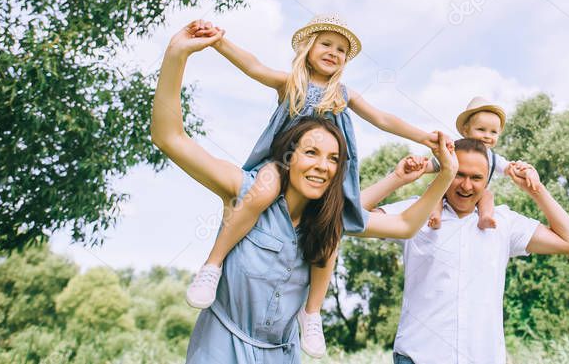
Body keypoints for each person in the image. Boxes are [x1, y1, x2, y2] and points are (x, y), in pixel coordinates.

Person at [150, 24, 458, 363]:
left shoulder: (342, 95)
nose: (333, 53)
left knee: (332, 226)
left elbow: (383, 121)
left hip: (282, 351)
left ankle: (312, 314)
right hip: (273, 170)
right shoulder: (291, 85)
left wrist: (432, 150)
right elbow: (251, 69)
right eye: (326, 44)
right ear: (308, 48)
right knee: (264, 188)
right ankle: (213, 264)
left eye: (341, 50)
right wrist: (215, 43)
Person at [364, 138, 569, 364]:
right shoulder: (415, 212)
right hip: (418, 357)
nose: (466, 185)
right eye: (459, 174)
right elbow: (347, 218)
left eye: (476, 177)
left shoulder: (505, 222)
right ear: (446, 172)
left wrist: (535, 189)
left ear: (487, 181)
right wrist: (397, 179)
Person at [426, 96, 541, 230]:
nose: (487, 135)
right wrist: (420, 166)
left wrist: (526, 171)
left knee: (487, 194)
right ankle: (435, 215)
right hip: (447, 189)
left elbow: (510, 168)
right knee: (433, 187)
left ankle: (485, 217)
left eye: (493, 132)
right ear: (466, 130)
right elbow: (433, 165)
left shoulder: (492, 158)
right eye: (481, 129)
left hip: (475, 195)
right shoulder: (455, 150)